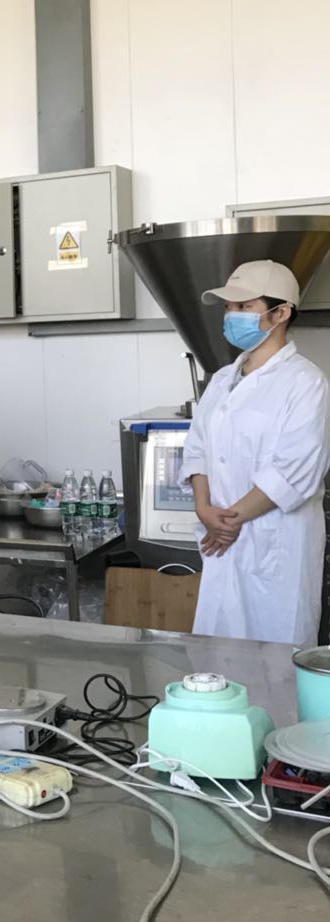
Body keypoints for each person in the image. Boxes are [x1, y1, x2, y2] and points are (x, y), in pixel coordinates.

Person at [181, 260, 330, 645]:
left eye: (245, 306)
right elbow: (197, 448)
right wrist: (204, 509)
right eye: (229, 307)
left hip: (274, 547)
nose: (232, 316)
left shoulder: (306, 383)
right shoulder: (221, 380)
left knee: (275, 659)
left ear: (280, 313)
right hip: (221, 542)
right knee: (217, 658)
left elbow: (294, 471)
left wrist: (228, 521)